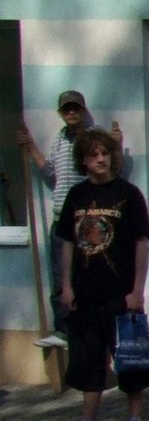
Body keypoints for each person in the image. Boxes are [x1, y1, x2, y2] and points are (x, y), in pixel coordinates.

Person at [49, 128, 149, 421]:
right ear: (83, 160)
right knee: (87, 362)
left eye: (105, 153)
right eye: (94, 155)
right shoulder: (76, 196)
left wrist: (137, 290)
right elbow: (67, 243)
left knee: (131, 361)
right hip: (84, 294)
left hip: (120, 294)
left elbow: (141, 243)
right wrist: (66, 286)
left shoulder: (128, 194)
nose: (101, 160)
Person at [17, 90, 113, 347]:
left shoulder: (93, 140)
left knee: (90, 274)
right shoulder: (59, 140)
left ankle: (91, 330)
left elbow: (109, 169)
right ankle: (64, 331)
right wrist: (30, 146)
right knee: (61, 276)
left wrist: (116, 145)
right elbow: (50, 174)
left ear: (83, 110)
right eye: (67, 109)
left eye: (76, 108)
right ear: (61, 113)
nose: (71, 112)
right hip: (61, 217)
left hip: (87, 218)